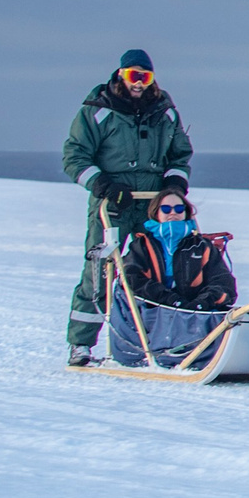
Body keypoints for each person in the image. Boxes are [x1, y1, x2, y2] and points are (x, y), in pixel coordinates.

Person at [63, 48, 193, 365]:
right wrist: (103, 185)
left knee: (163, 269)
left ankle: (166, 340)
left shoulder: (165, 112)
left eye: (144, 77)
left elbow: (180, 156)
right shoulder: (97, 110)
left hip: (153, 205)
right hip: (113, 205)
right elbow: (74, 157)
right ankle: (81, 345)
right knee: (100, 272)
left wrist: (174, 184)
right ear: (121, 75)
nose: (138, 84)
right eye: (133, 76)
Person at [105, 185, 237, 368]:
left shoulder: (201, 246)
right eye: (166, 209)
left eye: (179, 209)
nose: (173, 213)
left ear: (186, 213)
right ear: (156, 213)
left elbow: (223, 282)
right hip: (151, 312)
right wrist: (171, 300)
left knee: (224, 309)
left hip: (192, 311)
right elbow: (133, 280)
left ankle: (219, 352)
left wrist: (202, 302)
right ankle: (159, 353)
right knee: (126, 288)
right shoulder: (142, 246)